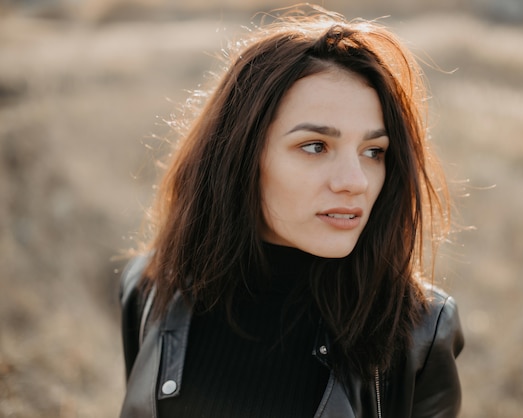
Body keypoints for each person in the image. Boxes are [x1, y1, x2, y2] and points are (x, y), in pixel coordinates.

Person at [119, 5, 464, 418]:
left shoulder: (418, 332)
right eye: (315, 146)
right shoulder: (150, 288)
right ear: (240, 156)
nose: (355, 180)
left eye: (373, 151)